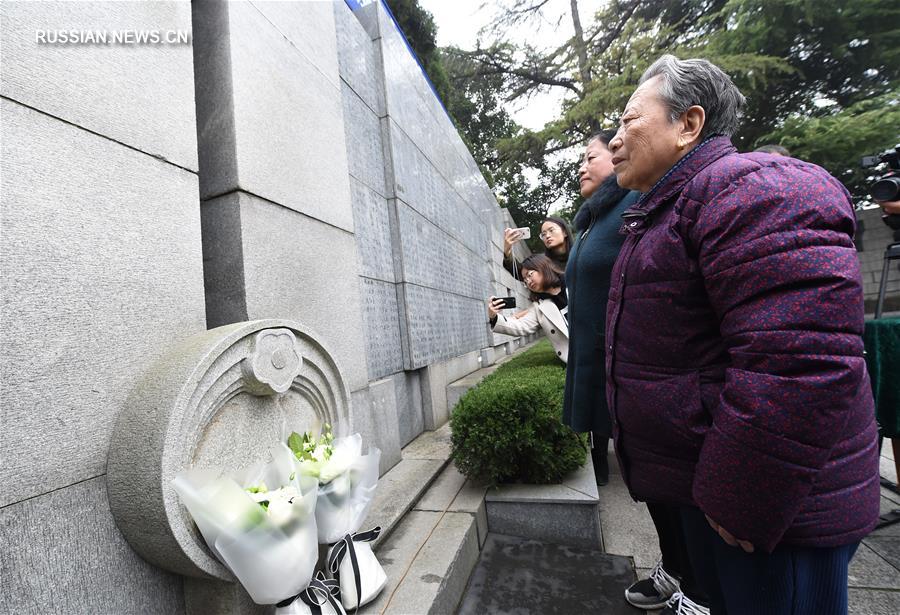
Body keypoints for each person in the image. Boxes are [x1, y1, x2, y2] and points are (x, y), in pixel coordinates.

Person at [605, 54, 880, 615]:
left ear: (689, 124)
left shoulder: (751, 190)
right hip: (721, 497)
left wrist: (741, 499)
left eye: (629, 120)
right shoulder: (671, 206)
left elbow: (800, 363)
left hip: (775, 514)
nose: (614, 140)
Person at [563, 130, 639, 488]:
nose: (582, 168)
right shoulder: (592, 218)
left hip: (621, 356)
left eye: (590, 158)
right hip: (590, 345)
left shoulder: (635, 203)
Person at [488, 254, 568, 363]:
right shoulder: (540, 307)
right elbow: (520, 326)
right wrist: (493, 316)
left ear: (543, 267)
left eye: (530, 275)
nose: (528, 282)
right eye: (525, 281)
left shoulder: (574, 282)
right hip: (576, 355)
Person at [502, 216, 574, 276]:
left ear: (565, 232)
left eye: (551, 230)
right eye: (543, 234)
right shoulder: (542, 263)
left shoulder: (580, 255)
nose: (547, 236)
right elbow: (521, 271)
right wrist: (507, 252)